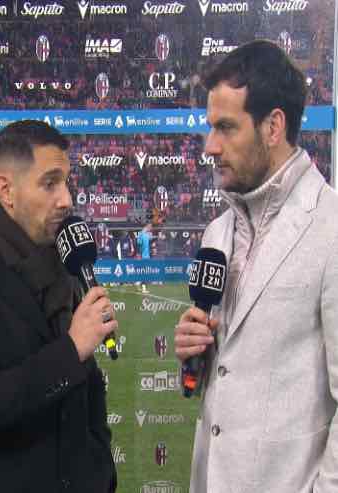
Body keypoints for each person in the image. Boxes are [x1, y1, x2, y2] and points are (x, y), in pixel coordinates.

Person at [174, 40, 338, 492]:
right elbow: (226, 379)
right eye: (210, 128)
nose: (210, 146)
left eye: (226, 128)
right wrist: (194, 358)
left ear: (273, 127)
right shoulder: (217, 233)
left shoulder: (331, 229)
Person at [0, 120, 118, 493]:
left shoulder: (67, 269)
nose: (66, 199)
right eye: (50, 183)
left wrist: (101, 471)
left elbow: (89, 396)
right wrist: (72, 349)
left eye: (66, 182)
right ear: (6, 190)